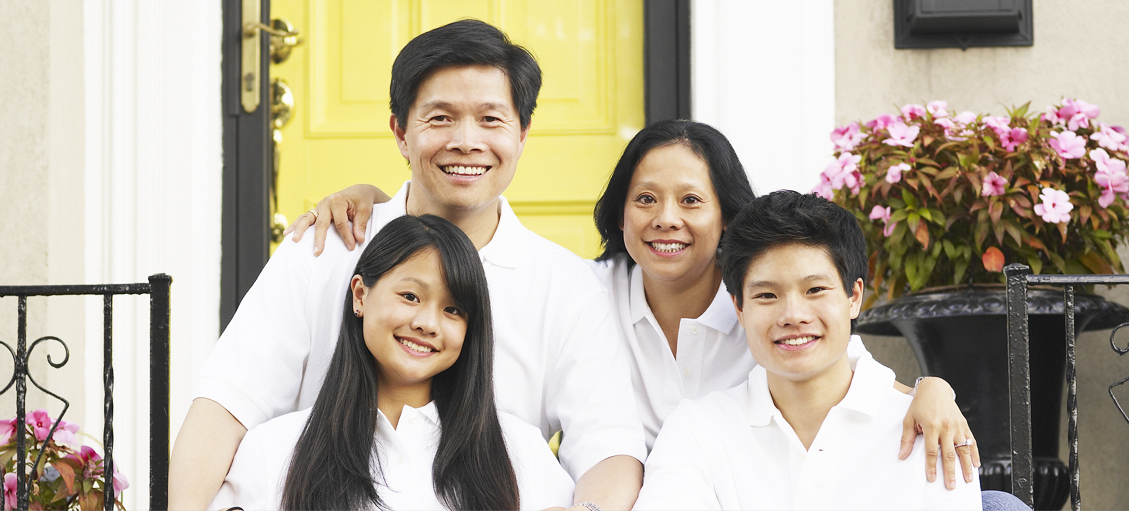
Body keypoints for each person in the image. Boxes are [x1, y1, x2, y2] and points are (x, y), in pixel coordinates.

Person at [291, 119, 980, 488]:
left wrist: (934, 388)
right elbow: (473, 267)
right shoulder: (585, 292)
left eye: (690, 201)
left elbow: (843, 363)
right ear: (619, 213)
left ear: (727, 215)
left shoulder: (767, 301)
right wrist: (380, 201)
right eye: (644, 199)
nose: (665, 219)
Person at [171, 20, 646, 511]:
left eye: (491, 119)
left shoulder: (565, 287)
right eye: (440, 118)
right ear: (400, 131)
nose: (466, 141)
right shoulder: (324, 248)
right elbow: (225, 406)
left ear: (523, 133)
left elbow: (609, 450)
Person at [633, 190, 983, 510]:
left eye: (815, 290)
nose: (793, 316)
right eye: (766, 295)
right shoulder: (698, 431)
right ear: (739, 309)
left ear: (854, 296)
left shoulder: (932, 430)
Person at [208, 215, 574, 510]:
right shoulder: (274, 450)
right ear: (360, 295)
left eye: (453, 309)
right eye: (411, 296)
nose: (427, 324)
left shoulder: (519, 453)